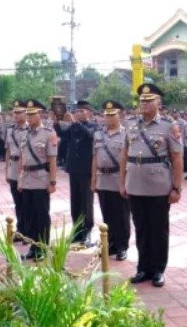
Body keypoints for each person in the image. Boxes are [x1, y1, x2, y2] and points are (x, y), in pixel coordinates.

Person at [119, 84, 182, 287]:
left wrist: (177, 187)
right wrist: (122, 182)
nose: (144, 103)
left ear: (158, 103)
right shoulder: (130, 124)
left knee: (158, 229)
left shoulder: (168, 126)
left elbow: (177, 157)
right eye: (142, 100)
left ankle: (158, 269)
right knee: (141, 228)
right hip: (135, 184)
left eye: (149, 100)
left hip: (158, 186)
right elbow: (124, 154)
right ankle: (143, 268)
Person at [18, 99, 58, 261]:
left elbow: (52, 160)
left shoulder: (49, 133)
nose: (29, 117)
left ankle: (42, 247)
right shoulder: (24, 133)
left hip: (41, 179)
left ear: (40, 114)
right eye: (27, 113)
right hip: (27, 178)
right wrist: (20, 179)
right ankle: (33, 247)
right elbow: (23, 158)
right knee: (30, 216)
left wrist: (53, 181)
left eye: (32, 114)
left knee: (42, 215)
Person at [91, 100, 130, 261]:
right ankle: (111, 244)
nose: (108, 118)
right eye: (106, 115)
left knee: (121, 215)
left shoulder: (126, 134)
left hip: (118, 179)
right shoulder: (98, 134)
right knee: (107, 214)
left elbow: (128, 159)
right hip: (103, 179)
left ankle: (122, 246)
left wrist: (125, 182)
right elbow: (94, 158)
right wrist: (93, 180)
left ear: (119, 115)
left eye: (112, 115)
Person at [59, 100, 97, 247]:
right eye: (77, 111)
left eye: (82, 111)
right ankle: (77, 229)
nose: (79, 113)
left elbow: (89, 135)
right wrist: (57, 120)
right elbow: (61, 133)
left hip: (86, 170)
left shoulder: (94, 126)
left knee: (86, 201)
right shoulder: (74, 127)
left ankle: (87, 231)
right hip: (74, 168)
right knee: (75, 200)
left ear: (89, 113)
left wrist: (75, 122)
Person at [5, 100, 29, 242]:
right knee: (17, 202)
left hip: (26, 168)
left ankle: (27, 232)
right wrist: (6, 170)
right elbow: (8, 150)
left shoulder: (29, 130)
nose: (16, 115)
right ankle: (20, 230)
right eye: (14, 112)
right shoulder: (10, 130)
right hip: (13, 167)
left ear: (26, 113)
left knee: (26, 201)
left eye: (19, 112)